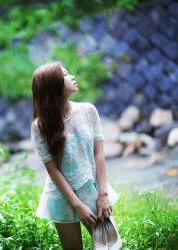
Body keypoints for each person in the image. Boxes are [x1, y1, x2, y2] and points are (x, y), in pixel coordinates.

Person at [30, 61, 120, 249]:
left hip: (92, 189)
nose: (71, 77)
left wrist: (103, 194)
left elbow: (99, 153)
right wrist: (77, 205)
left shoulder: (88, 110)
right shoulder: (40, 126)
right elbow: (53, 170)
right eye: (64, 75)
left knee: (110, 246)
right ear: (53, 86)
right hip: (62, 195)